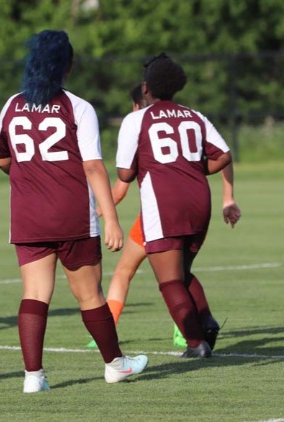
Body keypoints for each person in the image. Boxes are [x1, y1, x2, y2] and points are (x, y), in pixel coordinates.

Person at [0, 30, 148, 393]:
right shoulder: (78, 107)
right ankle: (115, 365)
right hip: (71, 215)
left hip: (27, 216)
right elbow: (92, 166)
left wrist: (30, 177)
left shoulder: (12, 104)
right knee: (89, 294)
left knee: (34, 293)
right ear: (68, 67)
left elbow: (1, 157)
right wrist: (111, 218)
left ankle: (33, 377)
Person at [88, 86, 241, 349]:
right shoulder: (189, 119)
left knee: (134, 272)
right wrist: (227, 196)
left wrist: (99, 210)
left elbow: (121, 185)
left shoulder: (139, 128)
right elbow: (224, 156)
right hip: (194, 207)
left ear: (137, 106)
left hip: (157, 216)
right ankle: (198, 323)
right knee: (181, 273)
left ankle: (111, 330)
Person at [116, 53, 233, 358]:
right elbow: (223, 155)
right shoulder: (195, 116)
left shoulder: (137, 119)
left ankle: (195, 344)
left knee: (168, 280)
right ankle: (206, 321)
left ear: (145, 88)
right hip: (199, 200)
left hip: (164, 203)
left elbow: (125, 173)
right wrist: (193, 169)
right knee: (181, 272)